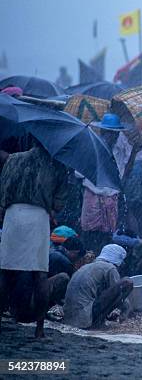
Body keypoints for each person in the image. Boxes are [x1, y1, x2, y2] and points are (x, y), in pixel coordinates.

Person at [0, 140, 69, 338]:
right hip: (38, 218)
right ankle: (39, 328)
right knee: (40, 274)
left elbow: (3, 192)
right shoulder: (57, 165)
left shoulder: (13, 159)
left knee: (5, 271)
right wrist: (50, 208)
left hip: (13, 216)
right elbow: (59, 202)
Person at [81, 114, 126, 254]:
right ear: (103, 132)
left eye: (116, 134)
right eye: (111, 133)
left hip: (111, 197)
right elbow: (80, 173)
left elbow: (122, 176)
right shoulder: (91, 148)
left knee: (108, 234)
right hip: (93, 195)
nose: (114, 137)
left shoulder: (118, 151)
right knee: (90, 233)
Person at [63, 244, 134, 329]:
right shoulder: (110, 268)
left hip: (70, 316)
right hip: (84, 318)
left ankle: (100, 318)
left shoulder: (88, 266)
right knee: (127, 282)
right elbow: (117, 293)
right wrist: (126, 310)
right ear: (117, 259)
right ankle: (98, 322)